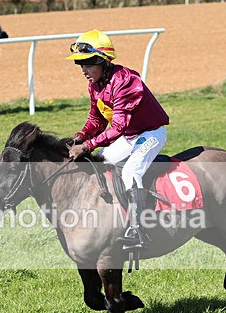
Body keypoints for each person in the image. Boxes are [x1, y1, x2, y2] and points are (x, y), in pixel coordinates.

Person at [67, 29, 169, 251]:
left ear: (102, 61)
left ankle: (139, 230)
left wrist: (87, 145)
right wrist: (81, 136)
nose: (83, 70)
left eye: (87, 64)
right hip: (129, 137)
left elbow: (118, 126)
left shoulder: (125, 81)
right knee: (100, 161)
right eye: (80, 65)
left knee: (131, 171)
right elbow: (96, 119)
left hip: (150, 134)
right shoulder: (95, 85)